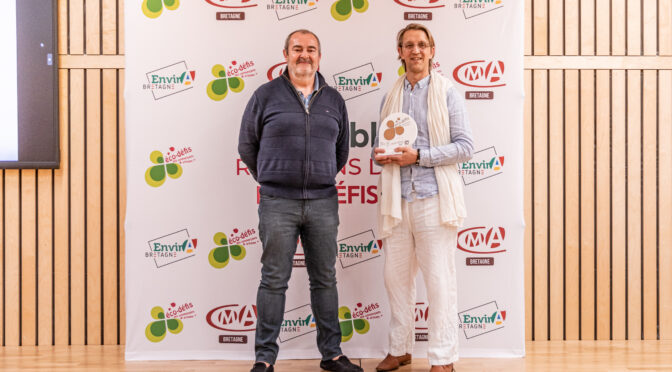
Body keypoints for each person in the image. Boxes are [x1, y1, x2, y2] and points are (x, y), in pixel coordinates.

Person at [238, 29, 361, 372]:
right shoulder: (265, 96)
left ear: (319, 56)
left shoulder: (334, 99)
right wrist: (270, 175)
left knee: (324, 279)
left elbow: (341, 151)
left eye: (311, 49)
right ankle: (264, 358)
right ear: (285, 54)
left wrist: (318, 175)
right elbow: (247, 145)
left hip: (323, 202)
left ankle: (332, 354)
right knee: (274, 279)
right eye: (297, 49)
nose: (304, 55)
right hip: (278, 201)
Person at [372, 23, 474, 372]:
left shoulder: (448, 92)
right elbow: (385, 145)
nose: (415, 51)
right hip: (397, 202)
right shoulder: (389, 96)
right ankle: (400, 349)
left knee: (439, 283)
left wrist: (420, 157)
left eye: (421, 45)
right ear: (399, 52)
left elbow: (465, 147)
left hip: (433, 199)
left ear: (432, 51)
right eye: (408, 45)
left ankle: (443, 358)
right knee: (395, 281)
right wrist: (381, 156)